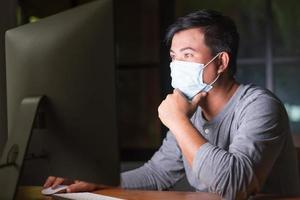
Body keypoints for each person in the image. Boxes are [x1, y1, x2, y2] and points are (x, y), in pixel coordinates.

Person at [44, 10, 300, 199]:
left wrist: (177, 120)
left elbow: (234, 186)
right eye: (173, 57)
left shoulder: (260, 105)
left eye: (187, 55)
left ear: (221, 63)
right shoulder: (192, 109)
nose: (176, 66)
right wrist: (98, 182)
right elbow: (157, 174)